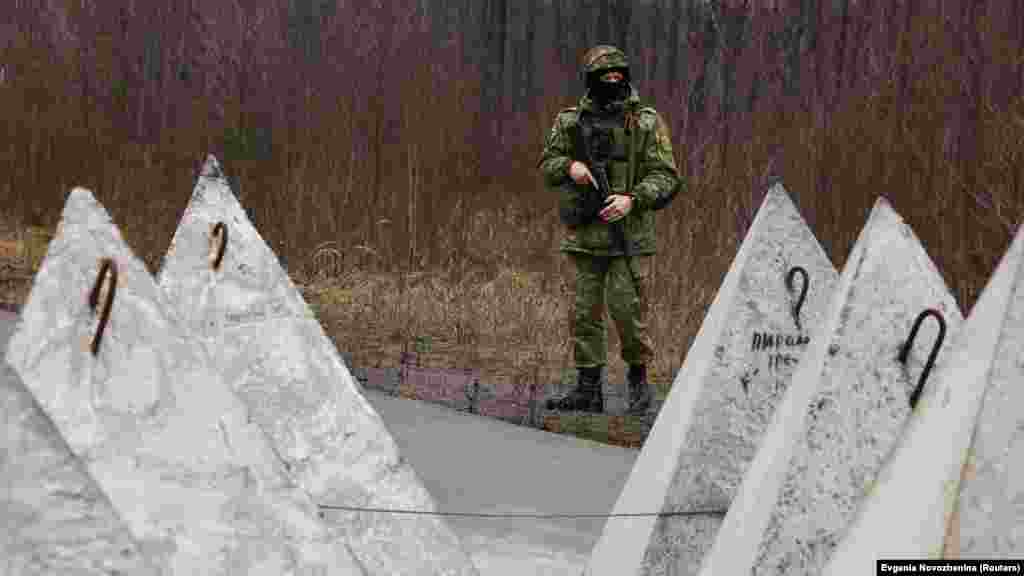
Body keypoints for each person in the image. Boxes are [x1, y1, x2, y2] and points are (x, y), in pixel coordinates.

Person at [538, 45, 682, 415]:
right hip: (586, 235)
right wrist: (570, 166)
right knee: (583, 313)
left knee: (627, 311)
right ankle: (588, 389)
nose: (613, 81)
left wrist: (632, 199)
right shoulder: (571, 122)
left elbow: (666, 176)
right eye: (605, 77)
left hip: (629, 236)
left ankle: (638, 383)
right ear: (591, 80)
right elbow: (547, 162)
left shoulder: (646, 122)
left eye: (618, 76)